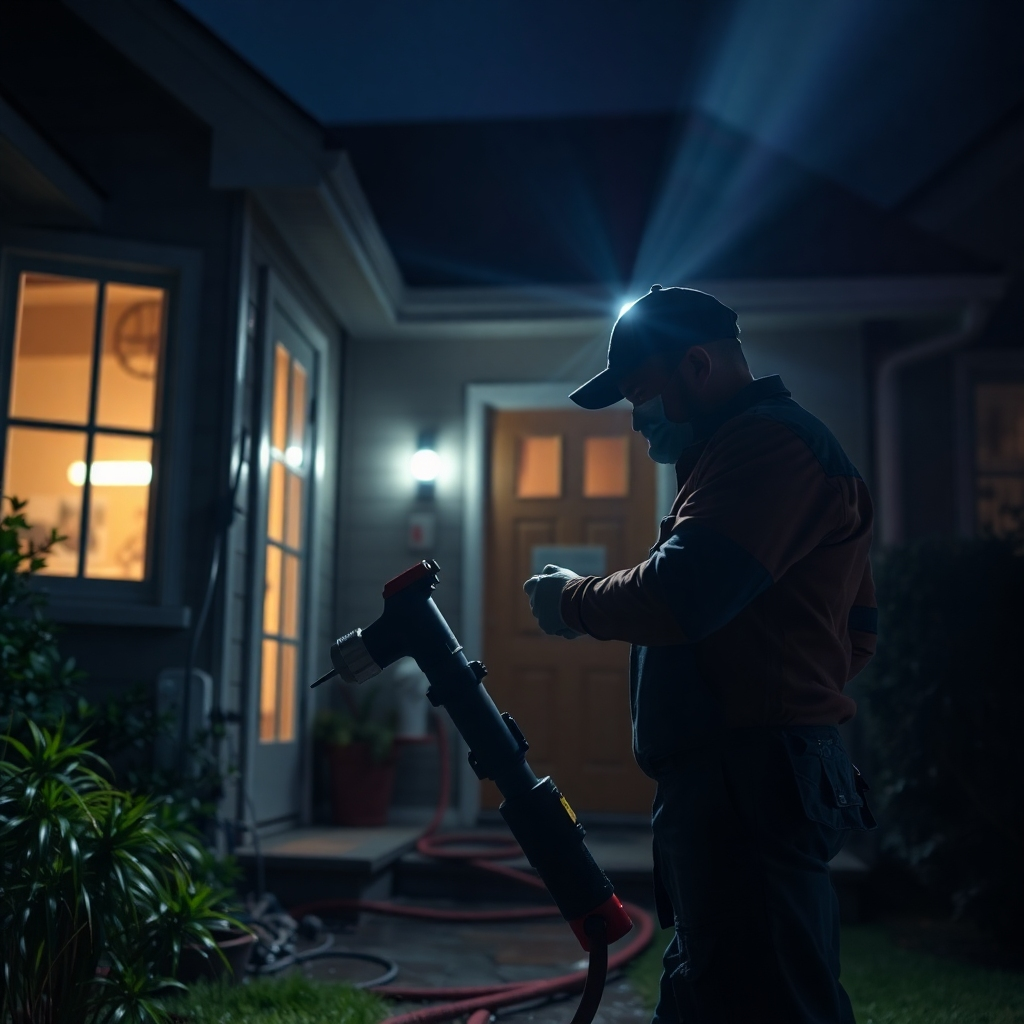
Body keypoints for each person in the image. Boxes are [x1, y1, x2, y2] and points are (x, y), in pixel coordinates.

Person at [523, 285, 877, 1024]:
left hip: (752, 781)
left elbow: (683, 593)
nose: (634, 416)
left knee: (773, 999)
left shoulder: (770, 447)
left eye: (640, 392)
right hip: (730, 779)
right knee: (714, 988)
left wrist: (572, 602)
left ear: (697, 365)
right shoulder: (728, 456)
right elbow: (858, 630)